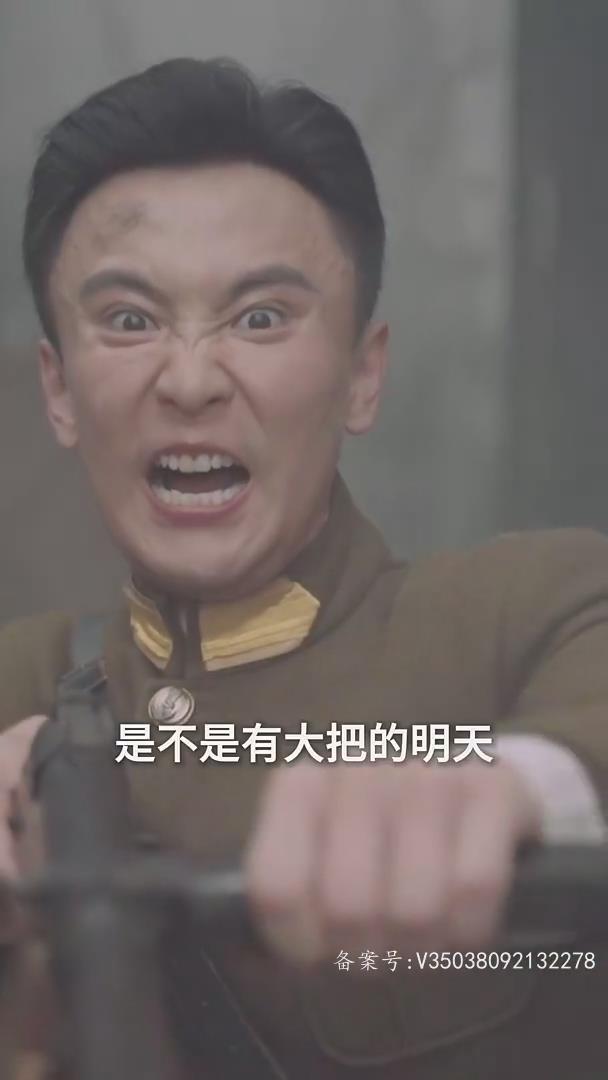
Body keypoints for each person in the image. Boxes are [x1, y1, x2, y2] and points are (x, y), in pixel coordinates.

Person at [1, 56, 608, 1079]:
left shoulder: (529, 617)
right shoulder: (22, 680)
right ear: (59, 391)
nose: (189, 381)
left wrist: (502, 786)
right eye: (130, 321)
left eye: (261, 318)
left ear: (362, 374)